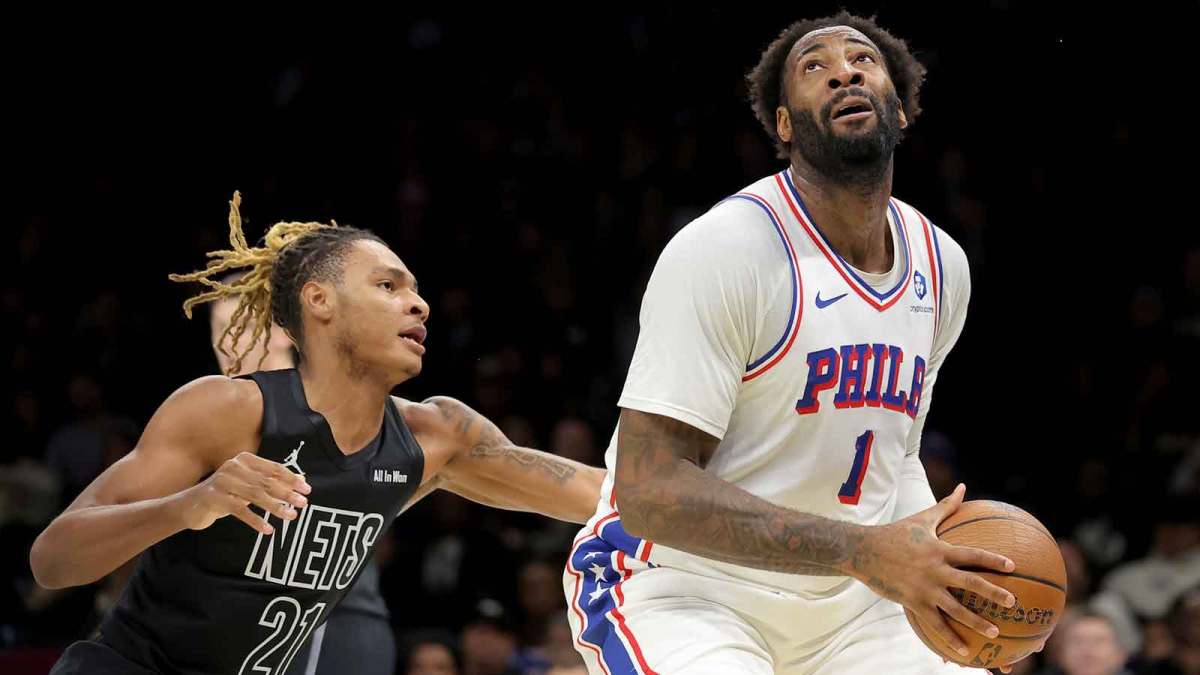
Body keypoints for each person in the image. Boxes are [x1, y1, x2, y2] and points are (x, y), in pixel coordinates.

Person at [564, 11, 1028, 675]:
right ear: (784, 126)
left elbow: (892, 458)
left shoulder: (942, 264)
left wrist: (954, 585)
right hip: (682, 590)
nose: (844, 69)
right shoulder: (726, 249)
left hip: (851, 603)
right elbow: (648, 491)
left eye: (863, 60)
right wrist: (864, 550)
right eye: (815, 67)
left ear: (900, 109)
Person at [31, 192, 605, 674]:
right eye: (387, 286)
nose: (419, 303)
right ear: (319, 300)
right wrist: (189, 505)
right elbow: (53, 561)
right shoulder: (228, 410)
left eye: (414, 290)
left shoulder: (434, 437)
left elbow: (602, 497)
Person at [209, 283, 396, 675]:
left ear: (282, 331)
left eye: (239, 327)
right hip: (242, 624)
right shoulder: (207, 417)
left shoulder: (336, 401)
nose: (228, 343)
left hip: (335, 623)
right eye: (220, 328)